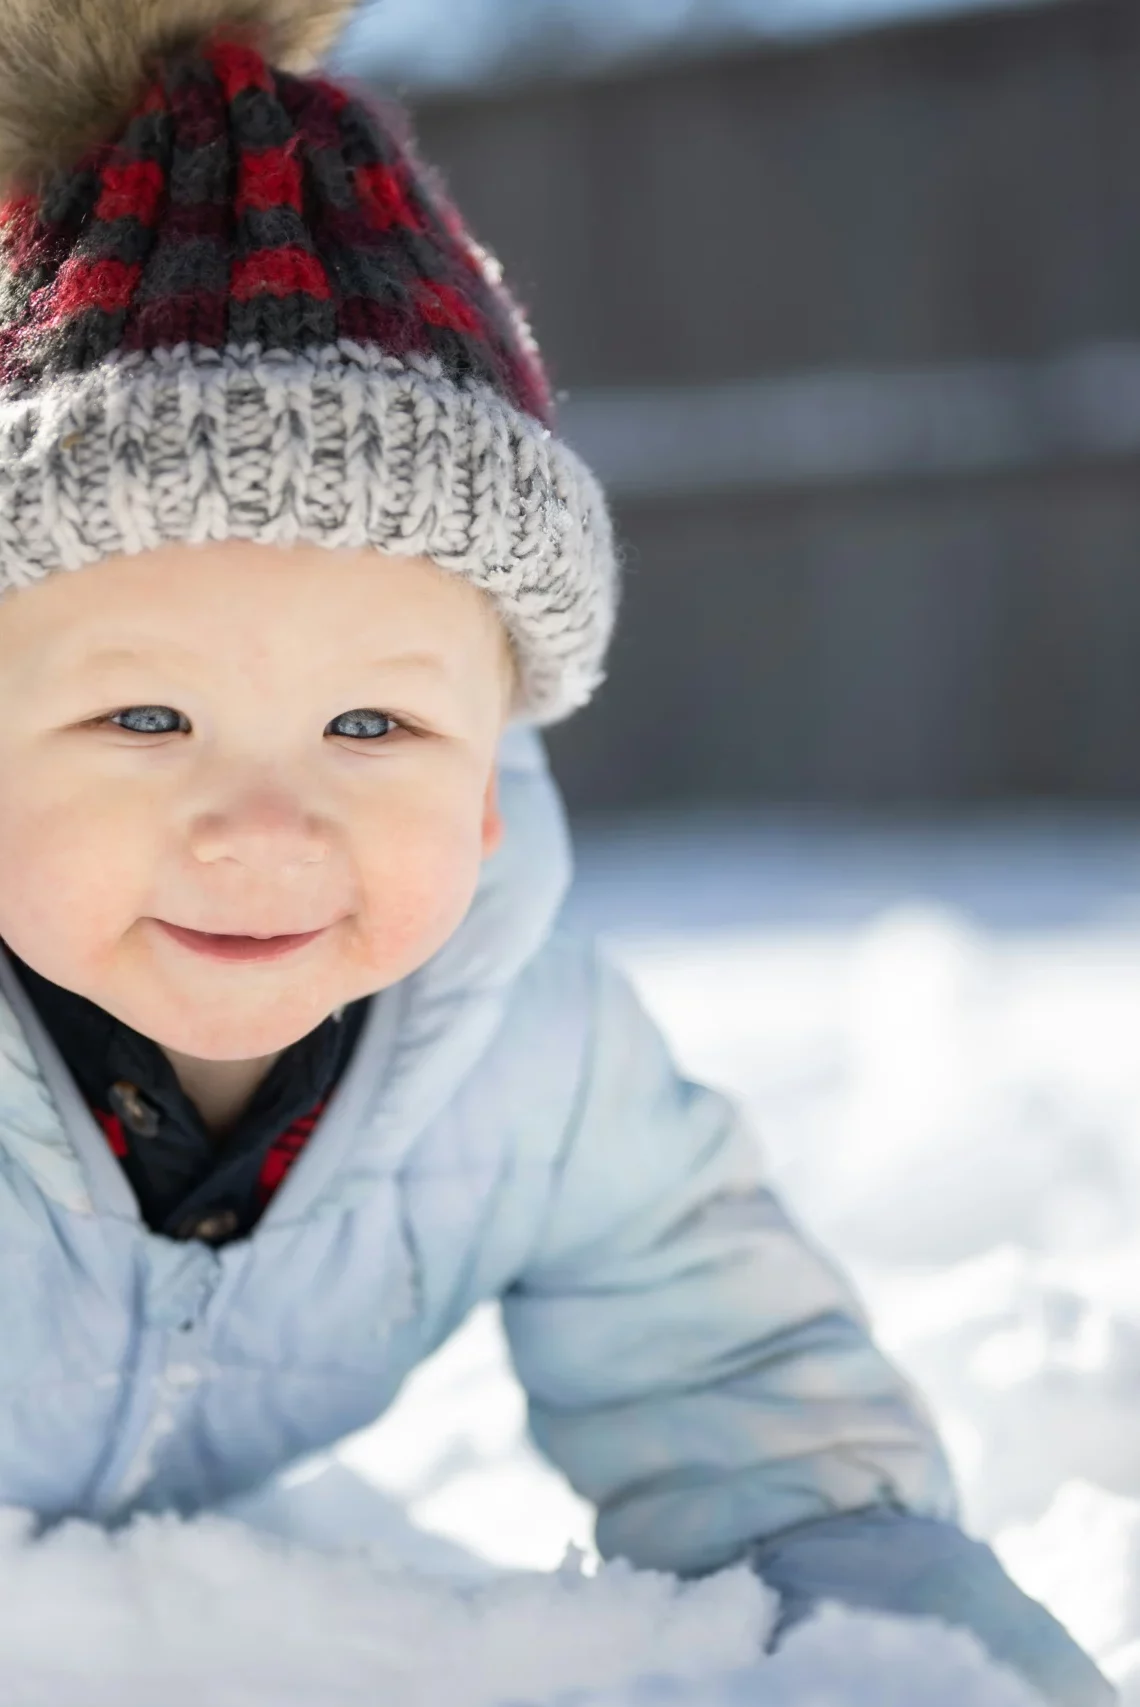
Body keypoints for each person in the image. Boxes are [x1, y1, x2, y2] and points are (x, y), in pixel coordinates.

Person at [0, 2, 1111, 1701]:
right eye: (144, 719)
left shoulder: (531, 1058)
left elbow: (728, 1367)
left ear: (496, 777)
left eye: (375, 729)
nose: (266, 824)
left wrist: (896, 1643)